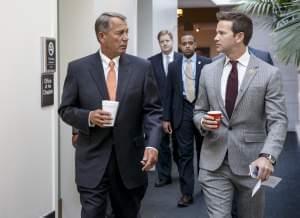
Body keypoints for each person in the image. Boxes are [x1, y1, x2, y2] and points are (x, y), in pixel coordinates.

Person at [58, 12, 162, 218]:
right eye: (119, 33)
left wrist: (152, 145)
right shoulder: (78, 69)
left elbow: (153, 111)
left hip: (130, 162)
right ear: (101, 36)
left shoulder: (142, 68)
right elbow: (66, 110)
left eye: (127, 32)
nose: (125, 38)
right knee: (92, 213)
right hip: (92, 160)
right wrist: (88, 117)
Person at [193, 11, 287, 218]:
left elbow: (278, 121)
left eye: (221, 33)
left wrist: (267, 157)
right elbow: (199, 110)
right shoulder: (208, 71)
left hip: (252, 164)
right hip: (213, 163)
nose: (215, 37)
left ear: (239, 37)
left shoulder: (269, 74)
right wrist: (203, 121)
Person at [163, 34, 211, 207]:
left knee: (203, 151)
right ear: (180, 46)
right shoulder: (174, 66)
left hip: (202, 111)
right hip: (181, 111)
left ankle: (206, 186)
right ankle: (186, 193)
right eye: (184, 44)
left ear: (195, 45)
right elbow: (168, 93)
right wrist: (166, 118)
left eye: (191, 43)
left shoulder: (207, 63)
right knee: (184, 154)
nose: (188, 46)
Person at [148, 30, 181, 187]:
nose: (165, 43)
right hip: (159, 110)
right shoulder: (151, 62)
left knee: (179, 144)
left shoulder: (182, 59)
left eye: (167, 40)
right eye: (162, 41)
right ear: (159, 43)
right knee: (161, 145)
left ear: (172, 41)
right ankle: (164, 176)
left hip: (179, 109)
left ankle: (183, 174)